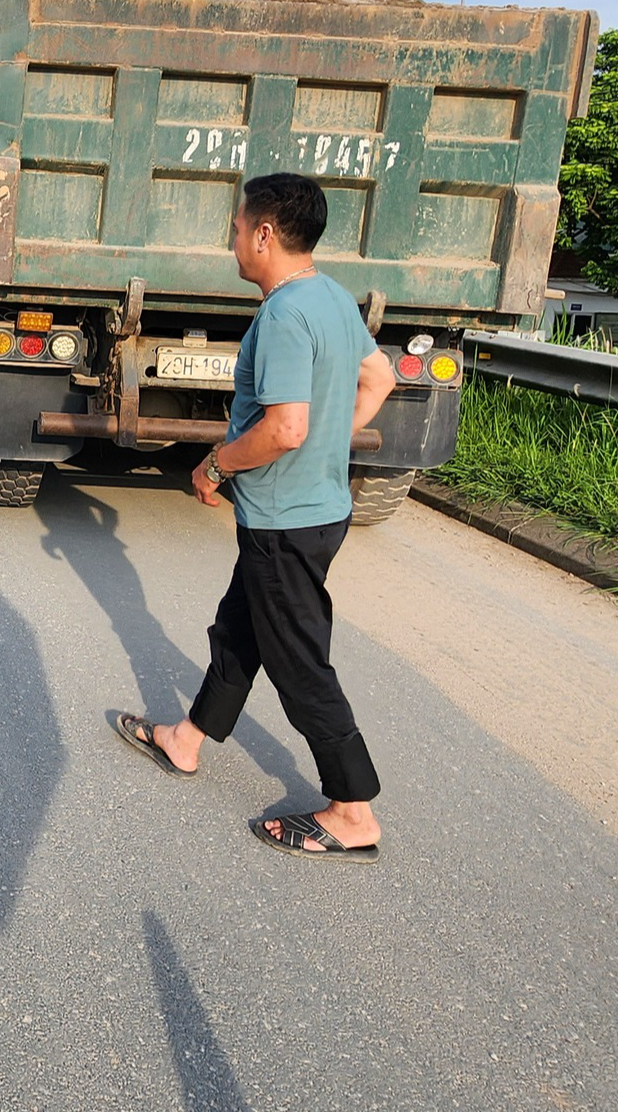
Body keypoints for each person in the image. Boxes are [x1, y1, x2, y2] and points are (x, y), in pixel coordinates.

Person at [112, 172, 397, 862]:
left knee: (300, 664)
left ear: (265, 233)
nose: (234, 238)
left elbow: (285, 427)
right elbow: (380, 377)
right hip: (315, 507)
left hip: (283, 519)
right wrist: (329, 443)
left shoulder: (282, 316)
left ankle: (353, 809)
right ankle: (187, 740)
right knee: (239, 629)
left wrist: (217, 465)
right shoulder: (331, 296)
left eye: (239, 227)